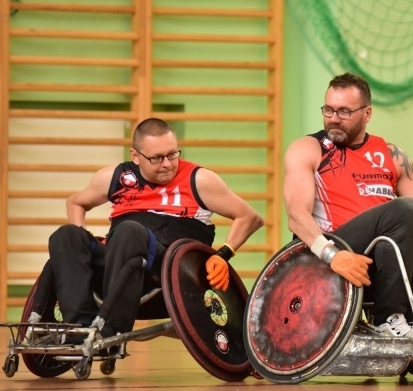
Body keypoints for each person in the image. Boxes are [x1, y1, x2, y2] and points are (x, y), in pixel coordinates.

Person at [282, 72, 413, 344]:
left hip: (386, 257)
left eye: (344, 112)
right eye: (328, 109)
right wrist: (332, 255)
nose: (333, 118)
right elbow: (295, 216)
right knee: (403, 209)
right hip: (334, 254)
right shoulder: (308, 148)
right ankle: (387, 319)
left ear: (367, 113)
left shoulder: (392, 155)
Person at [40, 118, 264, 340]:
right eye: (157, 158)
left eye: (173, 154)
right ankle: (80, 326)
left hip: (166, 267)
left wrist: (224, 254)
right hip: (117, 263)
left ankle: (110, 332)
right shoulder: (115, 178)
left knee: (129, 230)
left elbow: (250, 217)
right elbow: (75, 202)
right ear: (135, 156)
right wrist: (81, 248)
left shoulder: (199, 180)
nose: (167, 164)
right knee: (66, 235)